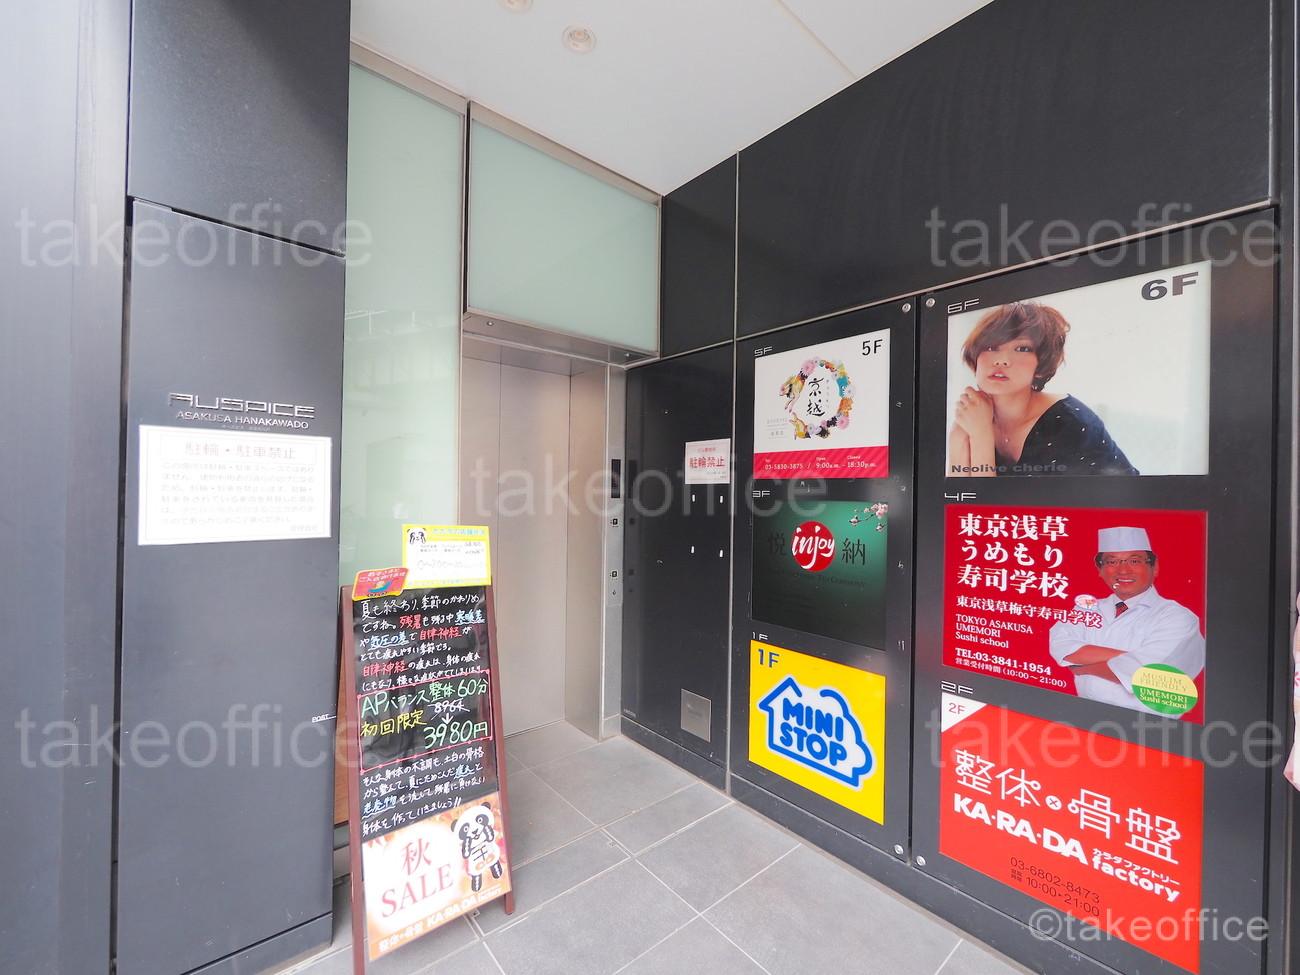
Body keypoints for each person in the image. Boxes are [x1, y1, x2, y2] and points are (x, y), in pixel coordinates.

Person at [948, 302, 1139, 476]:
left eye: (1022, 349)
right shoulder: (973, 414)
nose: (1002, 360)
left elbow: (989, 501)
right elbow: (959, 498)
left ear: (1041, 365)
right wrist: (967, 434)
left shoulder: (1069, 422)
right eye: (991, 347)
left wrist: (981, 436)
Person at [1048, 527, 1205, 713]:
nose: (1123, 570)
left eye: (1134, 561)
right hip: (1083, 711)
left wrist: (1084, 668)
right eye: (1112, 561)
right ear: (1099, 570)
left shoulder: (1177, 616)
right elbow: (1060, 644)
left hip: (1147, 721)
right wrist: (1132, 657)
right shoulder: (1087, 607)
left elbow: (1151, 674)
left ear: (1154, 567)